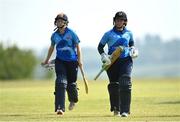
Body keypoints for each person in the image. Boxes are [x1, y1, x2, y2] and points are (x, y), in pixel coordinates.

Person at [97, 11, 138, 117]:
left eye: (121, 20)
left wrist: (133, 49)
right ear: (114, 21)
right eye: (117, 20)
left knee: (125, 82)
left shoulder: (129, 33)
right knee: (114, 85)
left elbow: (131, 43)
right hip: (112, 62)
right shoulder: (108, 34)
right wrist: (103, 56)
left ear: (125, 22)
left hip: (126, 61)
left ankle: (125, 111)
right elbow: (100, 47)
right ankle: (116, 109)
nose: (119, 22)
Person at [41, 13, 82, 115]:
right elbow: (52, 47)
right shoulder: (54, 35)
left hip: (72, 62)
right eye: (57, 21)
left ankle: (73, 100)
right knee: (60, 82)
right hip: (60, 61)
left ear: (65, 22)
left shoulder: (71, 33)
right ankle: (60, 108)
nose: (59, 22)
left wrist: (80, 60)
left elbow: (78, 46)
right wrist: (47, 60)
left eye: (61, 20)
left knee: (71, 84)